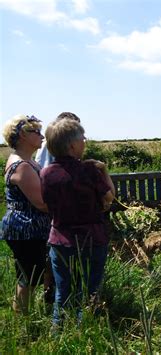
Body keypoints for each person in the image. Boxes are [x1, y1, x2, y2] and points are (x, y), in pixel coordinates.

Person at [40, 119, 115, 326]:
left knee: (63, 292)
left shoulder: (45, 173)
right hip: (91, 239)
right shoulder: (89, 170)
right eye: (83, 138)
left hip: (60, 240)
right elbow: (110, 198)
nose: (85, 142)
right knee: (91, 291)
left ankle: (59, 333)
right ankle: (87, 331)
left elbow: (46, 204)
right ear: (72, 145)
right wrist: (105, 170)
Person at [1, 114, 51, 313]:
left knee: (31, 275)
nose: (41, 136)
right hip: (25, 229)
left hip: (30, 228)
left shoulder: (27, 161)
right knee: (28, 279)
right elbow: (41, 203)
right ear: (22, 135)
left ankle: (26, 316)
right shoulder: (22, 166)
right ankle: (22, 322)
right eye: (36, 131)